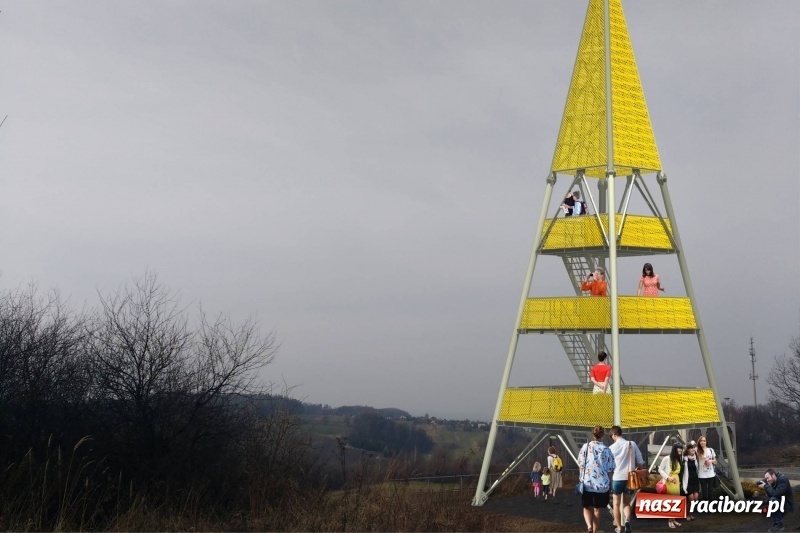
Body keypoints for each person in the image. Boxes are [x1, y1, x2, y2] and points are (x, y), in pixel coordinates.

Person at [577, 425, 615, 533]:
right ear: (602, 435)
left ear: (593, 435)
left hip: (587, 483)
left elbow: (580, 463)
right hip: (602, 485)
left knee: (586, 507)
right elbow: (610, 468)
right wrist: (610, 484)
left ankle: (589, 527)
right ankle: (595, 530)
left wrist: (581, 477)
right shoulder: (607, 450)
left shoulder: (585, 447)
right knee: (598, 509)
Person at [608, 426, 645, 533]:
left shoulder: (611, 448)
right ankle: (627, 520)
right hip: (630, 478)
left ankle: (619, 528)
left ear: (614, 434)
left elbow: (609, 465)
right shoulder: (631, 444)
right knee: (626, 503)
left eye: (612, 436)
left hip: (617, 478)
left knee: (616, 504)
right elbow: (640, 461)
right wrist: (638, 467)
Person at [759, 468, 794, 533]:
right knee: (762, 508)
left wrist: (766, 486)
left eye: (768, 478)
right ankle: (773, 513)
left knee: (773, 501)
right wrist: (768, 486)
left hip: (787, 504)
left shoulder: (783, 480)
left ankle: (779, 524)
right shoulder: (773, 481)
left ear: (773, 475)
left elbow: (776, 494)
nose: (767, 480)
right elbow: (771, 496)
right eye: (766, 479)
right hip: (781, 502)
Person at [658, 442, 685, 528]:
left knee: (676, 501)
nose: (680, 451)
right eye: (679, 449)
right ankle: (670, 521)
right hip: (669, 482)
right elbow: (660, 469)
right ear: (674, 449)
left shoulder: (679, 459)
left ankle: (673, 519)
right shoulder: (667, 458)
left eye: (681, 449)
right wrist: (668, 478)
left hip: (676, 482)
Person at [681, 441, 701, 521]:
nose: (693, 449)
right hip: (688, 481)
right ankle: (687, 514)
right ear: (688, 450)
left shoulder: (696, 458)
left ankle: (691, 513)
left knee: (695, 499)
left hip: (695, 480)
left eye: (694, 448)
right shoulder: (684, 459)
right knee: (691, 500)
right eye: (691, 448)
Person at [696, 434, 717, 501]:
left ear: (706, 442)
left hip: (711, 474)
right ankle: (705, 504)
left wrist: (710, 461)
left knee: (711, 491)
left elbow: (715, 461)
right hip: (702, 474)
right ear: (699, 442)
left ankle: (711, 504)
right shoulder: (697, 450)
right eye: (701, 441)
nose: (702, 442)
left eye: (704, 441)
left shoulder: (711, 450)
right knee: (704, 491)